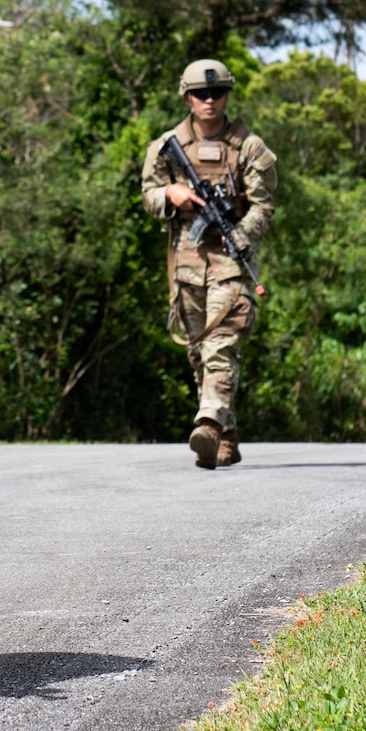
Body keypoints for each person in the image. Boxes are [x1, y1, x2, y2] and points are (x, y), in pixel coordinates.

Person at [140, 59, 278, 469]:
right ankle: (226, 436)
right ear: (186, 96)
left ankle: (208, 422)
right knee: (199, 352)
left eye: (217, 93)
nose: (209, 100)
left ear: (227, 95)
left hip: (231, 264)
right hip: (186, 262)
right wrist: (171, 194)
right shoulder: (167, 145)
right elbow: (148, 194)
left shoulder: (250, 148)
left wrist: (237, 235)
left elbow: (264, 206)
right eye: (201, 93)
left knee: (223, 345)